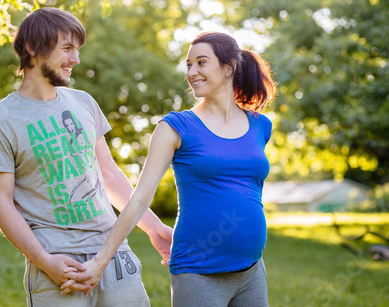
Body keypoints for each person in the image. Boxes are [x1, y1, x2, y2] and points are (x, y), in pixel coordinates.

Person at [63, 31, 277, 306]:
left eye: (201, 63)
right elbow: (139, 198)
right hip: (199, 272)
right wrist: (99, 262)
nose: (191, 72)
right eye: (188, 65)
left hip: (252, 270)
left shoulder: (260, 125)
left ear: (229, 68)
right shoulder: (175, 127)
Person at [0, 7, 172, 307]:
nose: (76, 59)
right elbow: (0, 202)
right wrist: (43, 260)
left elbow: (108, 174)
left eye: (77, 49)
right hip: (56, 264)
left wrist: (152, 227)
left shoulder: (83, 103)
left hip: (114, 255)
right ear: (32, 48)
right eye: (67, 48)